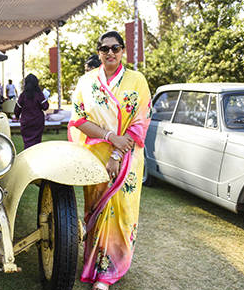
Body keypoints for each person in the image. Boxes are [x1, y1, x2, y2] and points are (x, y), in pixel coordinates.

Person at [67, 31, 151, 290]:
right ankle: (92, 265)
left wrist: (117, 152)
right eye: (105, 49)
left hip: (126, 159)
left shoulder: (137, 80)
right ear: (99, 51)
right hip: (95, 159)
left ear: (123, 50)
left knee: (121, 212)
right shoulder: (86, 82)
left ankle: (108, 273)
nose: (110, 53)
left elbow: (141, 121)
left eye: (115, 48)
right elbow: (78, 119)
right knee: (96, 209)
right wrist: (109, 136)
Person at [14, 74, 49, 149]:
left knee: (27, 142)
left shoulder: (23, 95)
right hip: (37, 122)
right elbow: (45, 107)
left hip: (26, 122)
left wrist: (17, 117)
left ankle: (27, 155)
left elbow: (17, 109)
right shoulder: (39, 94)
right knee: (36, 142)